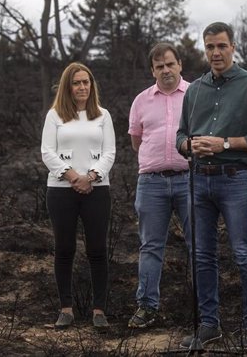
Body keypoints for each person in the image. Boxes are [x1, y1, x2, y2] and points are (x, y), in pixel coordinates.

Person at [176, 22, 247, 350]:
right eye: (209, 47)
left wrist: (224, 145)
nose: (215, 53)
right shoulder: (194, 91)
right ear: (204, 49)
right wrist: (189, 146)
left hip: (236, 180)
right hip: (199, 180)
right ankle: (209, 325)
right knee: (202, 255)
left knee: (244, 253)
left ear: (233, 47)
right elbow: (180, 136)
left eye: (221, 46)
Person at [40, 62, 116, 330]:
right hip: (61, 192)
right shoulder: (55, 116)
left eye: (86, 82)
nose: (82, 87)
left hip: (97, 190)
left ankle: (99, 311)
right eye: (76, 83)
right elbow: (47, 152)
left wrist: (91, 177)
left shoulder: (103, 115)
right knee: (64, 249)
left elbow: (110, 152)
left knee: (97, 249)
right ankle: (66, 310)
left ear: (92, 85)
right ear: (67, 87)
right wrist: (72, 176)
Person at [127, 42, 192, 328]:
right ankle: (147, 307)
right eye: (159, 66)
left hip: (191, 181)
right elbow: (136, 141)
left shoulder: (197, 95)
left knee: (199, 245)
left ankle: (202, 306)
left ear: (180, 64)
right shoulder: (141, 100)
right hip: (151, 183)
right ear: (152, 70)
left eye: (170, 64)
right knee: (151, 246)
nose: (165, 70)